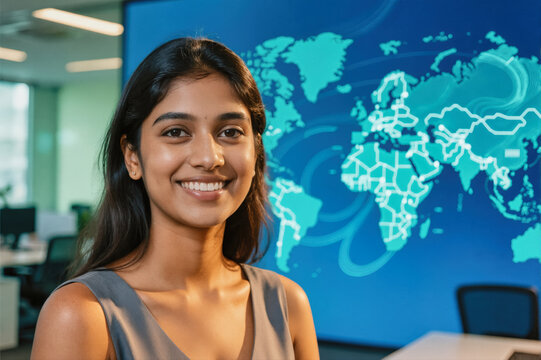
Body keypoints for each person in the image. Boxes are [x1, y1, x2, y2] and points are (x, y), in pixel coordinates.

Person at [31, 37, 319, 360]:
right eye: (176, 132)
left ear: (256, 153)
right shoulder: (81, 315)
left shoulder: (287, 304)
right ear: (132, 158)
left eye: (230, 132)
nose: (209, 158)